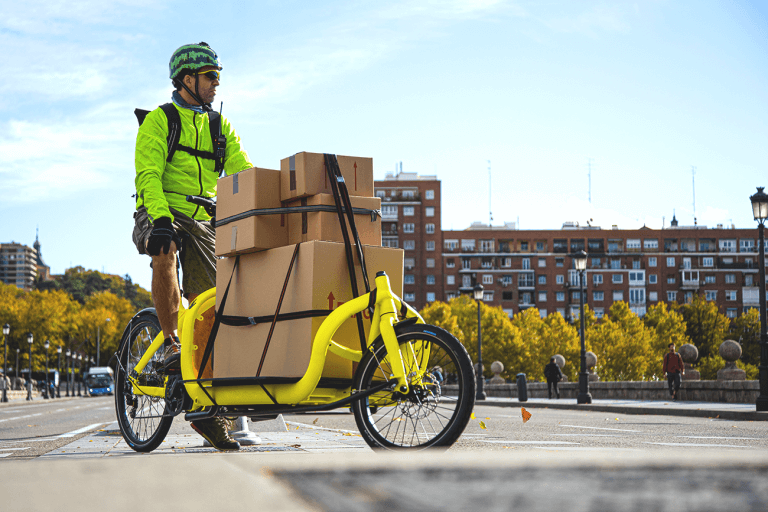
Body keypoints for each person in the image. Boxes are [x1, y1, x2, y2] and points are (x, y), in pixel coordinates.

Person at [132, 42, 254, 451]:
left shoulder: (220, 126)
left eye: (219, 77)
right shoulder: (160, 122)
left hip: (203, 219)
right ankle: (169, 342)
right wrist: (160, 218)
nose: (216, 84)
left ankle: (205, 411)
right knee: (163, 249)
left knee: (210, 303)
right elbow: (148, 174)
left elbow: (244, 171)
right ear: (187, 80)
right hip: (159, 208)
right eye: (210, 77)